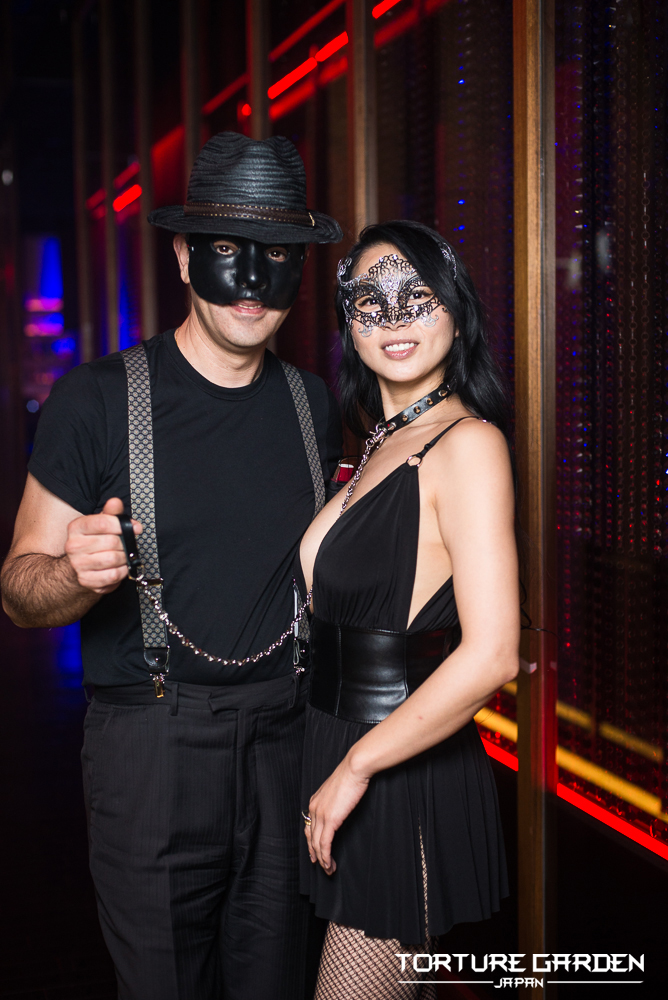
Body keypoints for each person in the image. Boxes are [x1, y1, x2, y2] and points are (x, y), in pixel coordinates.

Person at [1, 132, 343, 1000]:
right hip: (153, 748)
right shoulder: (97, 398)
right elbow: (18, 592)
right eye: (228, 248)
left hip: (286, 741)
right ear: (186, 256)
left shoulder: (313, 404)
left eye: (279, 254)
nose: (253, 281)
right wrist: (72, 575)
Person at [296, 220, 519, 999]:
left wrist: (357, 767)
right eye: (370, 300)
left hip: (395, 774)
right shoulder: (378, 442)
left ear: (456, 311)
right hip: (338, 747)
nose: (393, 319)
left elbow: (492, 654)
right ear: (348, 321)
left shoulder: (467, 444)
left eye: (417, 297)